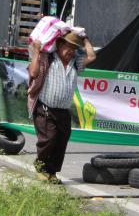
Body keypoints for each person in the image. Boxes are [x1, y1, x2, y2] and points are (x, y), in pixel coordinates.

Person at [27, 30, 96, 183]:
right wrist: (37, 51)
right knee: (48, 139)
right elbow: (33, 72)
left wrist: (85, 39)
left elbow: (91, 56)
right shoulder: (48, 58)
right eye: (68, 46)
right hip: (45, 108)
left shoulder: (75, 63)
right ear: (58, 45)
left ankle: (52, 173)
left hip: (63, 110)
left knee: (61, 141)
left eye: (73, 47)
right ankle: (41, 168)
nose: (71, 50)